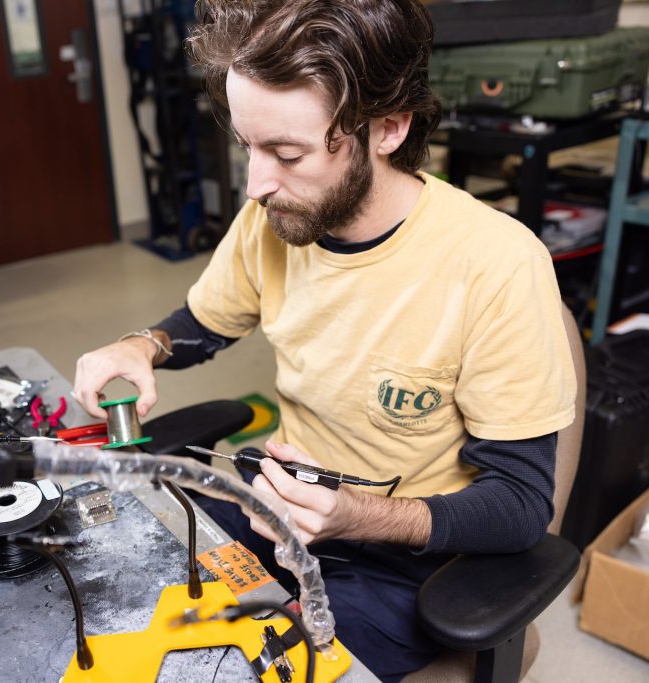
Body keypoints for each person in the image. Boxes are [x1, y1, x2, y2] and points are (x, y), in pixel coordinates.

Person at [73, 0, 576, 679]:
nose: (255, 185)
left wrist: (358, 515)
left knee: (235, 666)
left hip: (405, 565)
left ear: (389, 127)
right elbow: (203, 324)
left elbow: (518, 509)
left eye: (287, 152)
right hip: (280, 510)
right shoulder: (275, 215)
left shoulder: (495, 265)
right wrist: (146, 343)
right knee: (111, 588)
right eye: (248, 146)